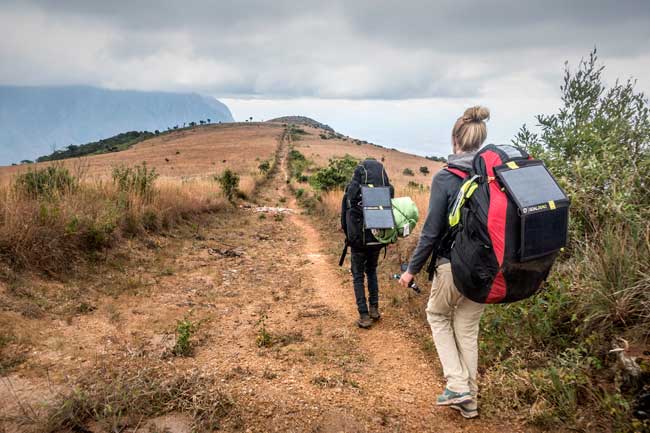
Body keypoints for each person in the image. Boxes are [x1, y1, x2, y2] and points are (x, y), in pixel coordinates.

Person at [399, 106, 490, 419]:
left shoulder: (446, 179)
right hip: (487, 270)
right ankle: (471, 401)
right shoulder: (490, 178)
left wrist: (410, 271)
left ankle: (457, 384)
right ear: (481, 140)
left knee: (437, 315)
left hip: (452, 266)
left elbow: (431, 233)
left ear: (455, 140)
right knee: (466, 329)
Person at [341, 159, 393, 329]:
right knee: (372, 271)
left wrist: (348, 236)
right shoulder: (385, 191)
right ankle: (374, 309)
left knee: (358, 275)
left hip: (358, 241)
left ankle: (363, 315)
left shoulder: (352, 191)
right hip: (377, 240)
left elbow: (344, 216)